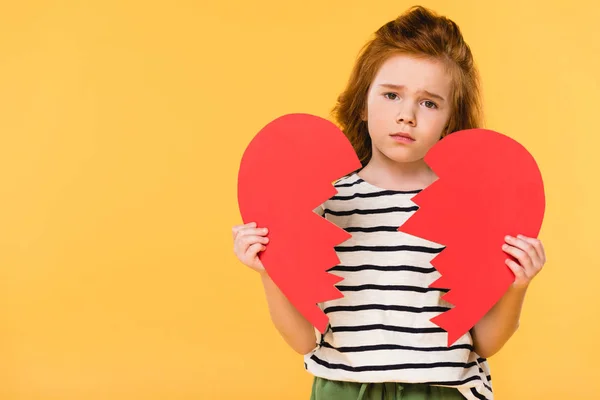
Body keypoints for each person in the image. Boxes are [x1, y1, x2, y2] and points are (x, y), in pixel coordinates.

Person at [232, 5, 546, 400]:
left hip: (442, 391)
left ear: (450, 120)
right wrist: (267, 271)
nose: (407, 116)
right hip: (343, 388)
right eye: (391, 95)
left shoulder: (470, 209)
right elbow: (303, 340)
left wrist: (518, 285)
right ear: (363, 104)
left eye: (429, 102)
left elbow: (483, 342)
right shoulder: (326, 205)